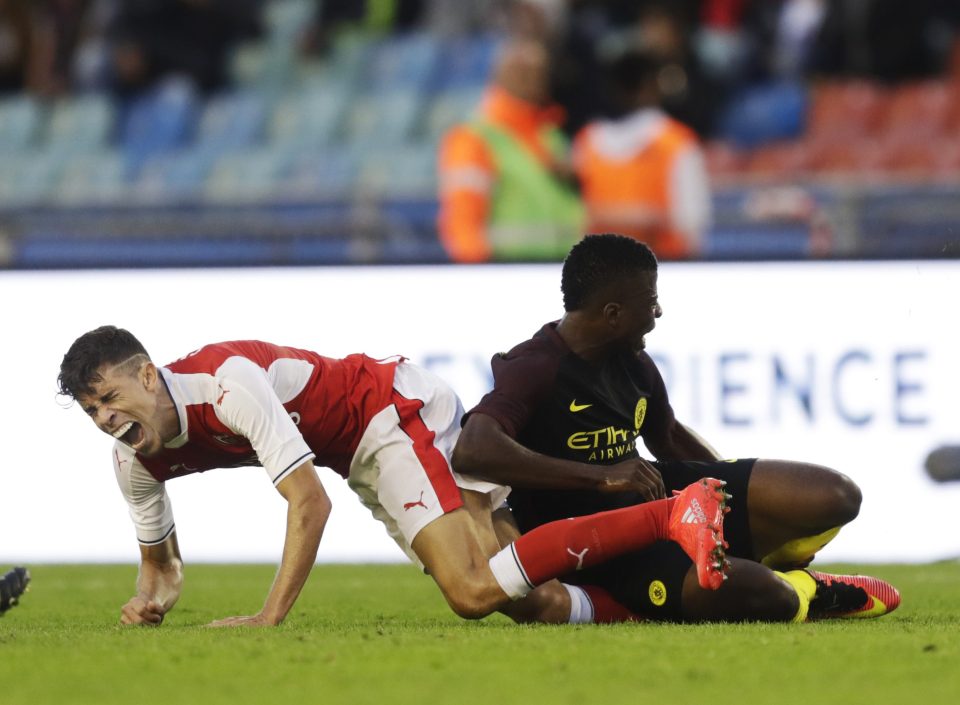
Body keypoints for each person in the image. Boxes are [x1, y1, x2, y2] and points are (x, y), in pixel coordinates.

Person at [57, 326, 730, 627]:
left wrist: (269, 615)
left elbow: (308, 503)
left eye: (109, 396)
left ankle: (674, 512)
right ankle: (667, 591)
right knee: (533, 600)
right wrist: (153, 601)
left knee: (470, 592)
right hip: (361, 452)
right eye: (92, 410)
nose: (105, 417)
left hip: (390, 410)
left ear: (147, 374)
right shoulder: (133, 460)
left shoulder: (225, 384)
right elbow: (161, 566)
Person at [454, 233, 901, 622]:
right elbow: (474, 450)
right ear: (613, 313)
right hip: (600, 545)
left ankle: (764, 557)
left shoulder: (634, 364)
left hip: (661, 498)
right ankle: (809, 591)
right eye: (650, 303)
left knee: (836, 496)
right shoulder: (535, 366)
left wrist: (736, 500)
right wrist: (601, 475)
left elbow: (667, 438)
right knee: (763, 595)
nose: (659, 312)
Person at [436, 38, 584, 263]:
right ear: (498, 75)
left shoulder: (552, 137)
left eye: (539, 72)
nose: (533, 79)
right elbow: (462, 225)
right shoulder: (474, 139)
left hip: (560, 275)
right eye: (522, 71)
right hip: (507, 275)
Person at [572, 48, 711, 260]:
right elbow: (694, 226)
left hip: (656, 271)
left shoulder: (586, 142)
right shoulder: (679, 143)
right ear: (652, 86)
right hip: (606, 277)